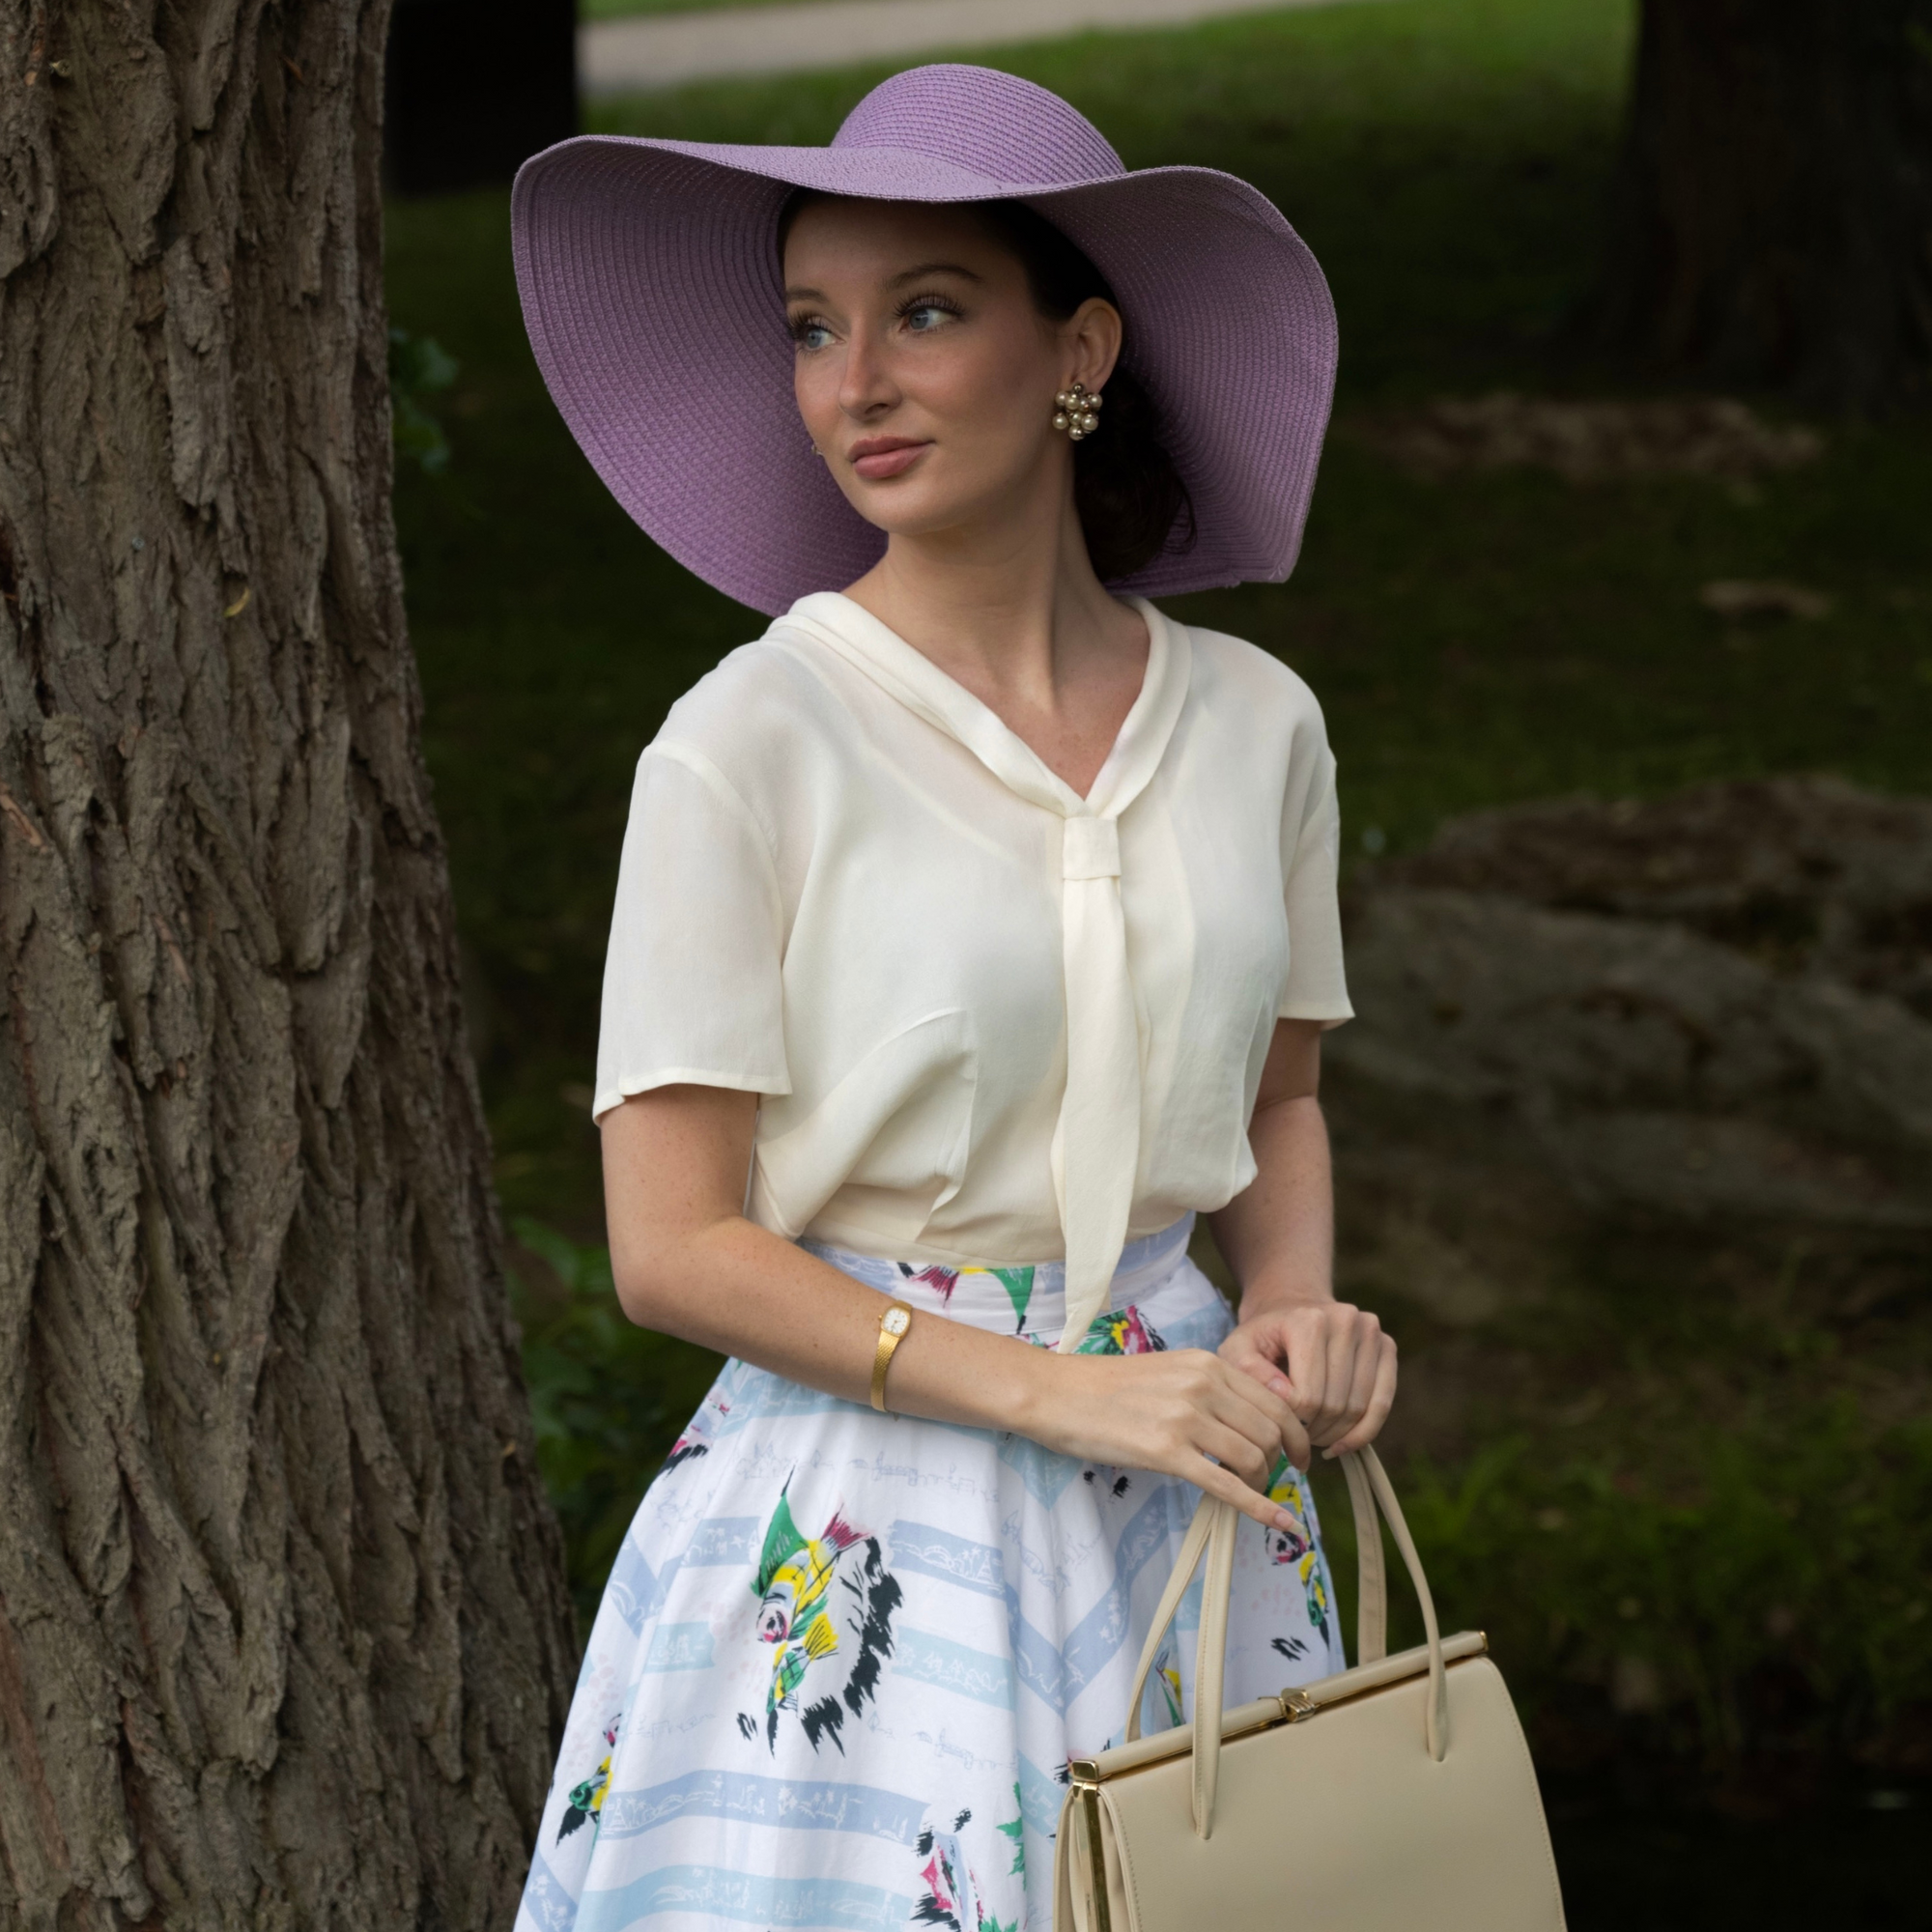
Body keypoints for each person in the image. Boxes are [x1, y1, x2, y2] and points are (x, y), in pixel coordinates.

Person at [509, 62, 1396, 1932]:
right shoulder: (749, 738)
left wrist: (1300, 1305)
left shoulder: (1254, 724)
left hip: (1196, 1495)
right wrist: (1055, 1399)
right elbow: (672, 1249)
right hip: (865, 1531)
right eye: (812, 329)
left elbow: (1277, 1103)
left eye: (924, 311)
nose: (856, 384)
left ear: (1079, 344)